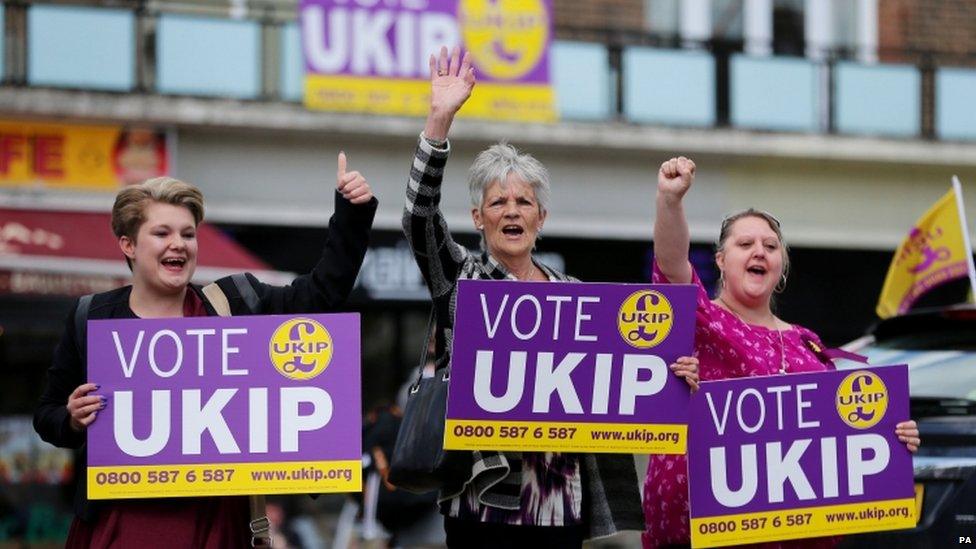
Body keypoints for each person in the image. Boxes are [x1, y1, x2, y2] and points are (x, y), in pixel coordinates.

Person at [401, 46, 700, 548]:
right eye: (498, 202)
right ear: (479, 218)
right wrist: (438, 121)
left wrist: (673, 372)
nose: (512, 211)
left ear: (542, 219)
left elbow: (628, 378)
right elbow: (418, 218)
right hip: (483, 503)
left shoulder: (577, 298)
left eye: (525, 202)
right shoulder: (462, 279)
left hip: (564, 507)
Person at [33, 154, 376, 547]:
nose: (178, 244)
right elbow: (47, 415)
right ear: (128, 244)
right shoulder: (90, 317)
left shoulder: (234, 303)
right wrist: (73, 419)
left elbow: (321, 297)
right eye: (162, 233)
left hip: (214, 528)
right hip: (119, 529)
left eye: (188, 234)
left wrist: (351, 214)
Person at [644, 156, 922, 548]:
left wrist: (892, 435)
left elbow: (842, 429)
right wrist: (670, 201)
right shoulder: (700, 317)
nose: (759, 251)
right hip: (705, 525)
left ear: (781, 266)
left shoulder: (808, 341)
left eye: (770, 246)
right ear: (721, 261)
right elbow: (671, 263)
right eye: (745, 244)